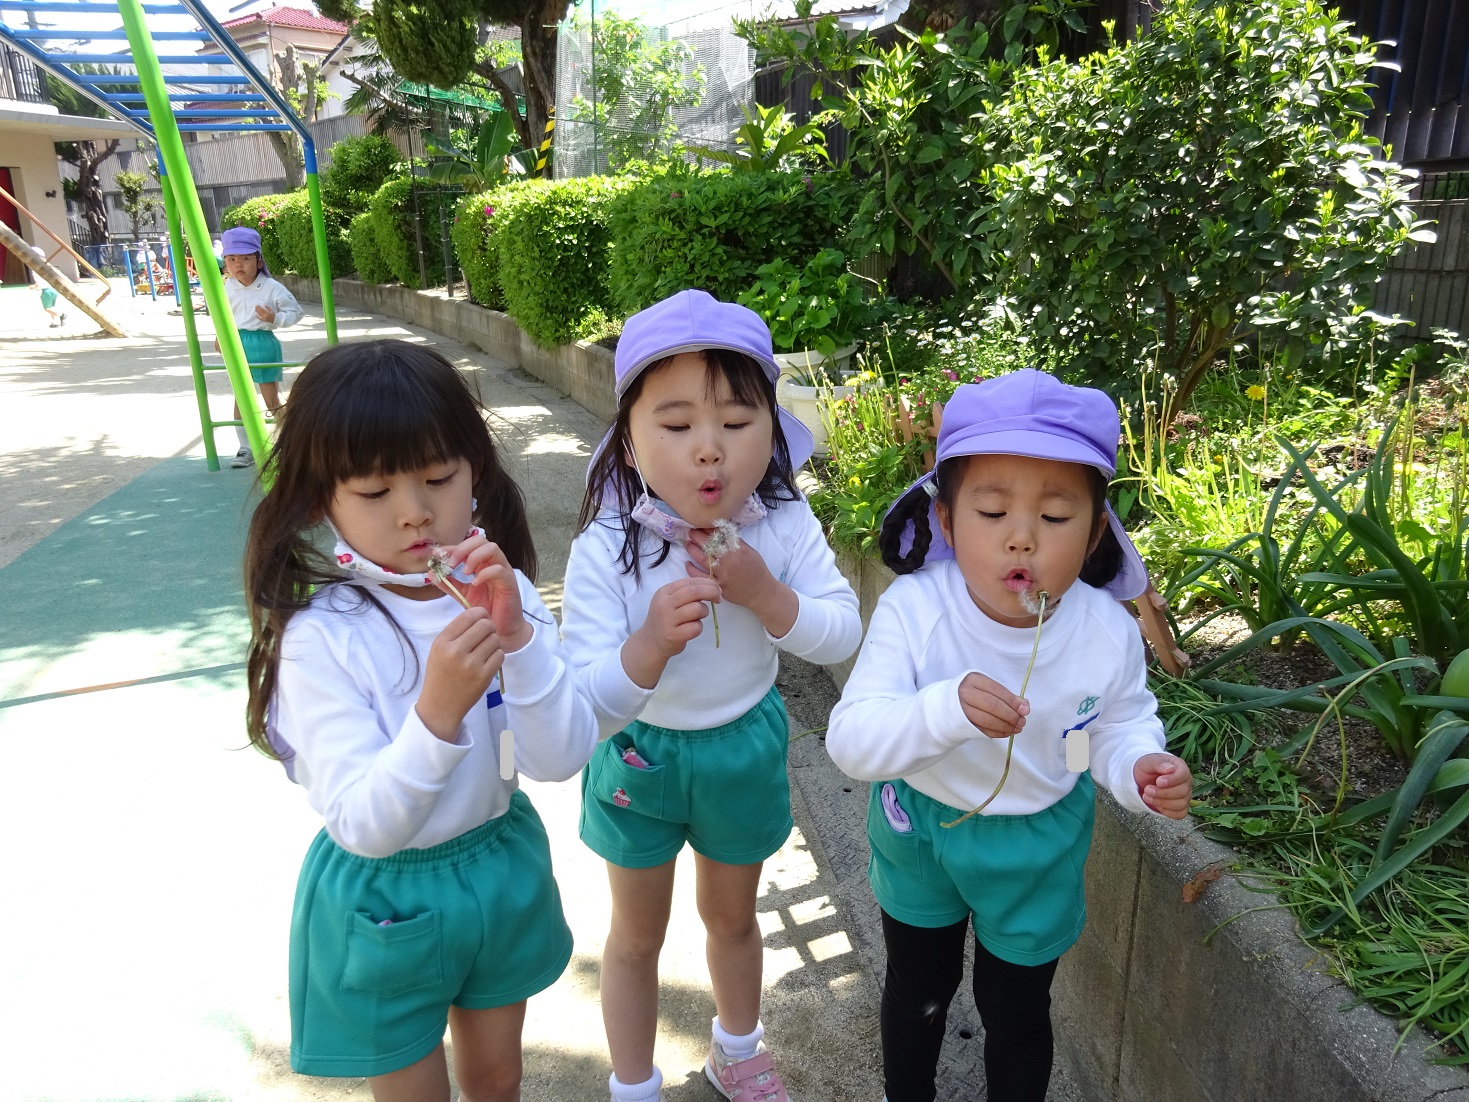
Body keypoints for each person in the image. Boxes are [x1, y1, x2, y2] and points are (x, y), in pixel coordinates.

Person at [243, 339, 598, 1101]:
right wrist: (437, 712)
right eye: (374, 491)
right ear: (320, 501)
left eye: (438, 479)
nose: (414, 513)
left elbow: (559, 757)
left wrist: (519, 642)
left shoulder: (504, 592)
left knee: (497, 1078)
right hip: (384, 897)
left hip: (497, 859)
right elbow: (363, 824)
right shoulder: (322, 638)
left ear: (475, 472)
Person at [826, 369, 1194, 1102]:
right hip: (921, 825)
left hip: (1036, 841)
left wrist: (1136, 766)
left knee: (1017, 1008)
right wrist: (944, 711)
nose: (1021, 536)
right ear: (944, 520)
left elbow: (1095, 733)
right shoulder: (914, 610)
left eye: (1054, 517)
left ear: (1095, 533)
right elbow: (851, 741)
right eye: (991, 511)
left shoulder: (1102, 632)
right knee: (918, 989)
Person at [561, 289, 862, 1102]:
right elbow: (585, 701)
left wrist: (767, 596)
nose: (709, 450)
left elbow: (841, 633)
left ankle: (738, 1050)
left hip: (741, 747)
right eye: (675, 424)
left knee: (732, 919)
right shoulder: (607, 543)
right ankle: (632, 1085)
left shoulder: (782, 523)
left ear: (772, 433)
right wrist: (648, 646)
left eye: (735, 422)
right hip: (638, 754)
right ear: (627, 444)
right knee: (635, 937)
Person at [217, 225, 303, 468]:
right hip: (236, 342)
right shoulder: (226, 287)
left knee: (270, 399)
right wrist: (220, 335)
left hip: (263, 342)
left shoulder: (271, 286)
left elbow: (295, 312)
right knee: (240, 397)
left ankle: (290, 443)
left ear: (259, 260)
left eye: (245, 258)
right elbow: (220, 313)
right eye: (231, 259)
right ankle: (245, 448)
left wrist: (274, 318)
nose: (238, 265)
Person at [30, 246, 65, 328]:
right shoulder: (45, 268)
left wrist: (34, 286)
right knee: (52, 307)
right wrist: (35, 286)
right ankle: (55, 322)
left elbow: (40, 281)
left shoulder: (36, 269)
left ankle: (61, 315)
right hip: (53, 289)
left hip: (46, 291)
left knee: (47, 308)